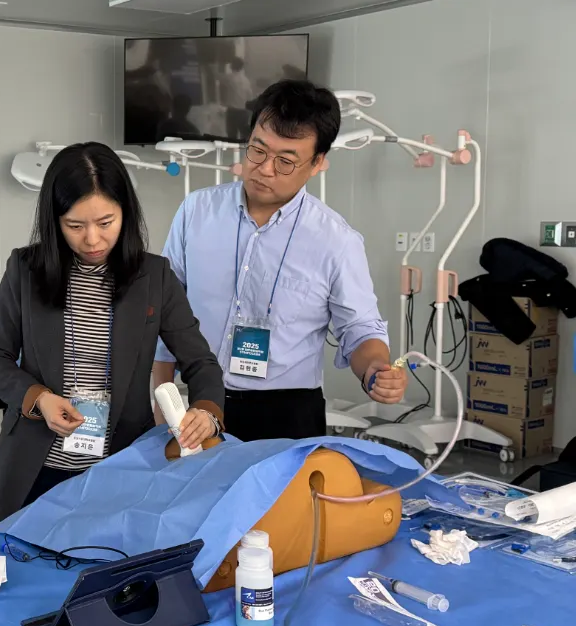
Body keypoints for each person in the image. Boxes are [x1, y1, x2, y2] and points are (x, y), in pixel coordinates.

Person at [0, 142, 225, 522]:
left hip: (121, 468)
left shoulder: (154, 278)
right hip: (35, 470)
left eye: (105, 223)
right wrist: (39, 399)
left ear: (125, 212)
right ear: (54, 221)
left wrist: (207, 412)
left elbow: (201, 363)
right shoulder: (25, 271)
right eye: (75, 226)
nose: (92, 239)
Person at [153, 80, 407, 442]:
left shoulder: (336, 240)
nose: (265, 169)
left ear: (317, 163)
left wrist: (376, 370)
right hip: (200, 402)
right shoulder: (197, 212)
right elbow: (166, 309)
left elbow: (361, 329)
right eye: (257, 150)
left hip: (287, 413)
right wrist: (160, 397)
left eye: (285, 161)